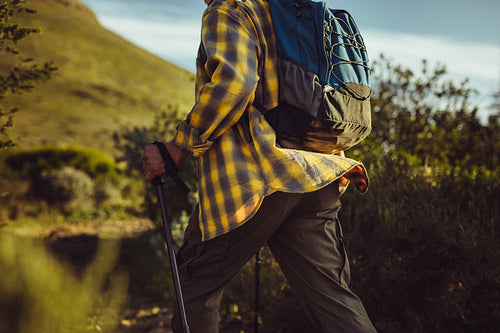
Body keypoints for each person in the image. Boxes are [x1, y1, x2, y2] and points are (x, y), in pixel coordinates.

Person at [142, 0, 377, 332]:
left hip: (255, 178)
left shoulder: (230, 8)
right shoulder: (288, 11)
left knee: (196, 283)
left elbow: (234, 85)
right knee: (332, 297)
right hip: (318, 174)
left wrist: (176, 147)